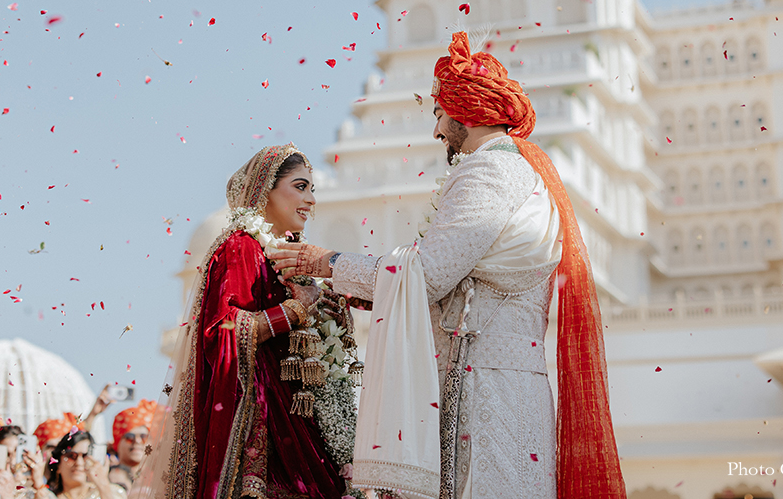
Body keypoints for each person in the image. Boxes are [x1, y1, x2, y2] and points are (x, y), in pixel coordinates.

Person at [270, 32, 627, 499]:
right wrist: (367, 291)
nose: (437, 131)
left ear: (465, 112)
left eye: (439, 113)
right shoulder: (512, 170)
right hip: (499, 385)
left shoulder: (489, 172)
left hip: (489, 394)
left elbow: (428, 275)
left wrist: (326, 261)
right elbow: (453, 282)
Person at [131, 145, 347, 499]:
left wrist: (327, 315)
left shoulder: (289, 255)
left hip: (297, 417)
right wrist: (294, 310)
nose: (311, 199)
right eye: (300, 187)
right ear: (266, 189)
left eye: (313, 189)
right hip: (262, 421)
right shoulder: (240, 247)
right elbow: (221, 332)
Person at [40, 430, 121, 499]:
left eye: (85, 456)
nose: (79, 463)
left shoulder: (113, 492)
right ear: (58, 465)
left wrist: (103, 486)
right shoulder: (47, 496)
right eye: (72, 456)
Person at [106, 401, 161, 491]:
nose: (137, 441)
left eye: (143, 437)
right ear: (117, 443)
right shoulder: (106, 478)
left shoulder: (160, 480)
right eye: (129, 437)